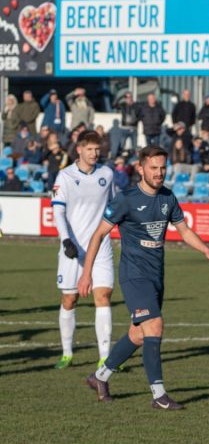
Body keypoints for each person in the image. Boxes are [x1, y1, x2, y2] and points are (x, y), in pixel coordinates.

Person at [78, 145, 209, 408]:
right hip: (134, 275)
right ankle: (159, 396)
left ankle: (100, 376)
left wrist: (206, 250)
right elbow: (98, 234)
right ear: (141, 168)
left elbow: (184, 229)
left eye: (162, 168)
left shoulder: (168, 197)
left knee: (139, 334)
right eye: (153, 168)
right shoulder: (126, 199)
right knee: (154, 326)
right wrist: (86, 273)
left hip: (156, 274)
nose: (159, 173)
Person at [51, 130, 117, 370]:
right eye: (89, 149)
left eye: (97, 149)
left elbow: (113, 206)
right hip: (73, 248)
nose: (94, 153)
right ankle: (67, 353)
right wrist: (66, 239)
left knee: (103, 296)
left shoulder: (107, 174)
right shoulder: (65, 176)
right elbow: (58, 209)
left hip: (101, 247)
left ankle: (105, 357)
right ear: (79, 149)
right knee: (70, 299)